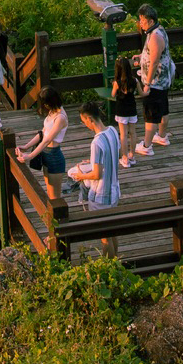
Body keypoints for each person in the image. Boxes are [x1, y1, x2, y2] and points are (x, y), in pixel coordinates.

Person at [68, 98, 123, 258]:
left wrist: (80, 175)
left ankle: (109, 267)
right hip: (114, 191)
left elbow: (96, 174)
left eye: (84, 121)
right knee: (112, 232)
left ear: (90, 119)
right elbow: (118, 154)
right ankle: (116, 264)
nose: (84, 124)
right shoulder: (112, 130)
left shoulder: (96, 142)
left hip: (101, 196)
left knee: (105, 238)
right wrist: (92, 162)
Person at [133, 5, 175, 157]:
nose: (140, 23)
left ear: (151, 21)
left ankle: (146, 145)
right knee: (163, 109)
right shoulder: (158, 30)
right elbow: (154, 53)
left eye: (142, 20)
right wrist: (141, 57)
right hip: (162, 81)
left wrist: (147, 84)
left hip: (156, 82)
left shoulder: (155, 36)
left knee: (150, 114)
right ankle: (162, 136)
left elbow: (155, 61)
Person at [16, 86, 69, 202]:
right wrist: (26, 146)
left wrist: (30, 156)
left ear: (49, 103)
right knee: (49, 193)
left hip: (54, 157)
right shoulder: (52, 111)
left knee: (55, 198)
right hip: (45, 154)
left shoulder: (60, 117)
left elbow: (47, 140)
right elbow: (43, 133)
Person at [110, 54, 141, 168]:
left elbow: (113, 95)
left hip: (121, 110)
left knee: (123, 135)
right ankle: (132, 156)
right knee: (133, 133)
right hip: (132, 109)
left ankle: (125, 158)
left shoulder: (117, 83)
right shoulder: (135, 80)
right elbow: (141, 93)